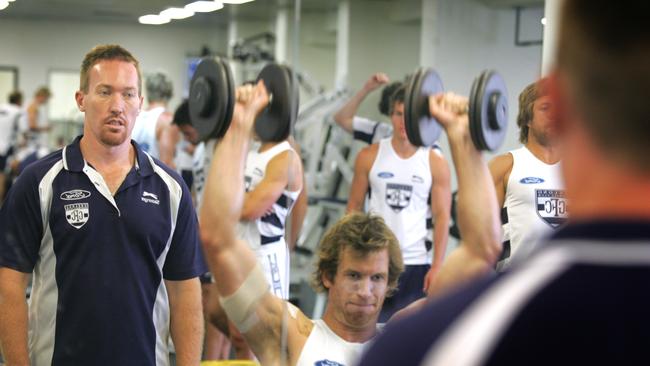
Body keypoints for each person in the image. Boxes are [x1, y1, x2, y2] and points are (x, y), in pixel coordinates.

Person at [359, 1, 650, 364]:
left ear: (560, 105)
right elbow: (485, 245)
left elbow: (480, 251)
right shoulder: (507, 164)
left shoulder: (438, 342)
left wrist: (463, 141)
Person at [0, 44, 206, 366]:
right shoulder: (39, 182)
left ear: (140, 103)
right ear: (81, 100)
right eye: (104, 92)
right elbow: (10, 285)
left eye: (128, 94)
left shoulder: (171, 189)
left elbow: (184, 293)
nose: (117, 106)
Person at [199, 82, 404, 365]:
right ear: (327, 276)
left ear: (390, 282)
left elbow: (481, 258)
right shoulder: (294, 335)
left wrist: (463, 139)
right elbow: (217, 238)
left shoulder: (403, 341)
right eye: (354, 275)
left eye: (377, 278)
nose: (366, 291)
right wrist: (238, 125)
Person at [347, 85, 451, 321]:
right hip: (374, 258)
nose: (403, 121)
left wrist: (437, 266)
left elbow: (442, 216)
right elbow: (353, 209)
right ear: (390, 115)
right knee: (367, 330)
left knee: (409, 334)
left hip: (415, 263)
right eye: (398, 114)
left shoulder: (434, 161)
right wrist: (351, 255)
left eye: (410, 115)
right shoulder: (369, 155)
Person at [489, 79, 566, 270]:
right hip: (514, 282)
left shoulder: (579, 171)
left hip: (567, 284)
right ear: (527, 119)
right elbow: (479, 235)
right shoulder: (505, 165)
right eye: (545, 108)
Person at [333, 72, 401, 144]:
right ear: (389, 114)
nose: (403, 119)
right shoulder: (380, 132)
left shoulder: (414, 141)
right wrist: (366, 89)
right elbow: (342, 119)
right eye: (398, 113)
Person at [131, 71, 179, 168]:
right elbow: (166, 165)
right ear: (170, 93)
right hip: (153, 181)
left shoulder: (136, 116)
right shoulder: (167, 120)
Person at [0, 91, 24, 201]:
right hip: (4, 147)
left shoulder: (2, 107)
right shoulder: (18, 111)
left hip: (4, 146)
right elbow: (24, 130)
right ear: (19, 101)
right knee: (2, 175)